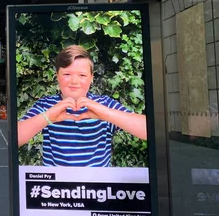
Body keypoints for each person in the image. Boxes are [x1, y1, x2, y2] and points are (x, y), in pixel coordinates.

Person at [17, 45, 146, 167]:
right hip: (56, 188)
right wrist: (48, 117)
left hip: (97, 188)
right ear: (57, 76)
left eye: (82, 75)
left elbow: (148, 130)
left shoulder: (105, 104)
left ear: (91, 78)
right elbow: (16, 138)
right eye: (67, 74)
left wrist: (106, 114)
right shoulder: (46, 105)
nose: (74, 81)